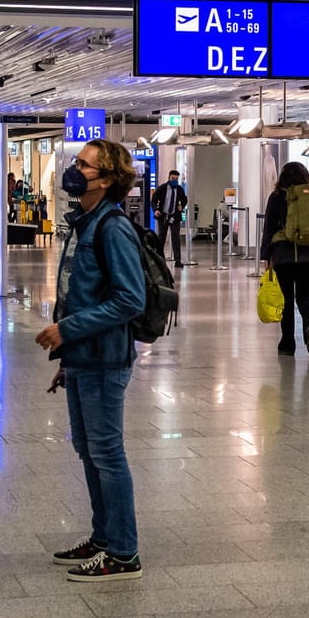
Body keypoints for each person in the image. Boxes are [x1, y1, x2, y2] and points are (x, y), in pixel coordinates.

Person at [36, 138, 145, 583]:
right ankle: (103, 538)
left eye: (83, 165)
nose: (74, 169)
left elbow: (130, 299)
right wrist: (68, 355)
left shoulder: (112, 227)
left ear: (107, 179)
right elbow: (81, 293)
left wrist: (68, 331)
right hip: (83, 358)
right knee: (88, 452)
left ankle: (123, 553)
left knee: (107, 453)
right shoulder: (86, 221)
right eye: (76, 162)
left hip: (105, 359)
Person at [259, 162, 309, 356]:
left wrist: (265, 255)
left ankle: (287, 343)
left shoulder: (277, 196)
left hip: (283, 256)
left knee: (287, 298)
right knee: (303, 296)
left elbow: (269, 227)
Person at [151, 170, 187, 267]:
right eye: (172, 178)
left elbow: (184, 199)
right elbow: (154, 200)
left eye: (176, 179)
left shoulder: (179, 189)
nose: (174, 180)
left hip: (174, 216)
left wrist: (181, 206)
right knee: (161, 237)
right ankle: (159, 259)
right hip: (163, 216)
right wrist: (155, 210)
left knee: (176, 238)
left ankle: (178, 260)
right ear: (169, 178)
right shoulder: (162, 188)